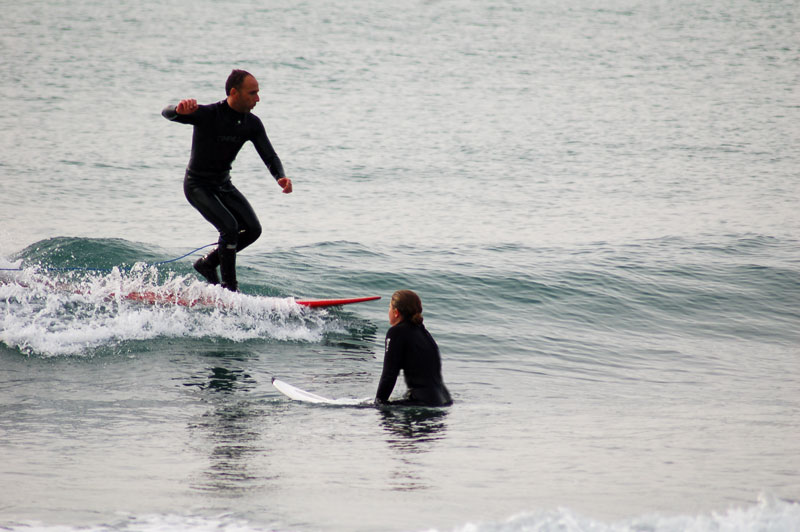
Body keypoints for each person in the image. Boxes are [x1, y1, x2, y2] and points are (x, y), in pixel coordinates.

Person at [162, 69, 292, 291]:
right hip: (197, 185)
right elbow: (167, 113)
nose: (257, 99)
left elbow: (269, 155)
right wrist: (178, 108)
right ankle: (229, 289)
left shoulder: (252, 123)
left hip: (223, 185)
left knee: (253, 230)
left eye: (257, 93)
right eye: (252, 93)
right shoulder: (208, 114)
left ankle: (208, 264)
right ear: (234, 92)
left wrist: (280, 176)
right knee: (230, 228)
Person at [376, 290, 453, 406]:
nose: (388, 312)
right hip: (444, 399)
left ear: (396, 312)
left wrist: (378, 403)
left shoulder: (396, 332)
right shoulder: (424, 333)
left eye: (389, 308)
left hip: (424, 402)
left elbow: (389, 374)